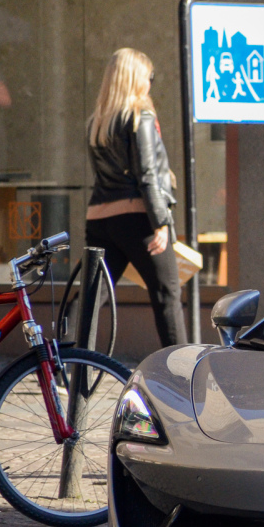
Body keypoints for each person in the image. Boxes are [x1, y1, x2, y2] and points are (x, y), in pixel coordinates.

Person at [86, 47, 186, 347]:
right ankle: (180, 373)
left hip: (100, 220)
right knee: (167, 293)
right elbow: (147, 176)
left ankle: (65, 366)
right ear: (136, 79)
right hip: (138, 218)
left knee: (93, 295)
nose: (150, 83)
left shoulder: (96, 122)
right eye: (149, 76)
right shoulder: (139, 116)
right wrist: (162, 223)